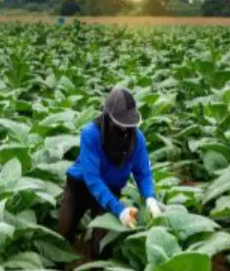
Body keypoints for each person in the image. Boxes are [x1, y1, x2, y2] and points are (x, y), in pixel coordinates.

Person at [58, 86, 162, 250]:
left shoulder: (137, 139)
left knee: (102, 245)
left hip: (110, 190)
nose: (127, 128)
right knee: (63, 237)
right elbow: (92, 179)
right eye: (122, 122)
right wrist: (119, 209)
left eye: (129, 123)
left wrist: (150, 198)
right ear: (109, 117)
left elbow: (143, 173)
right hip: (80, 187)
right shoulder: (90, 134)